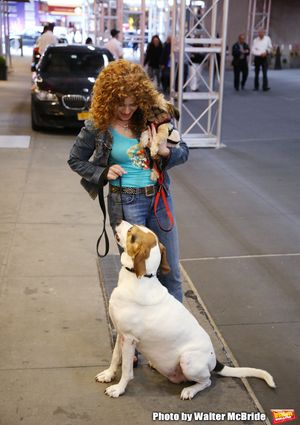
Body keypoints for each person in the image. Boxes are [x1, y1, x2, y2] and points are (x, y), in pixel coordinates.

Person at [68, 60, 189, 303]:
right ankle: (142, 332)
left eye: (133, 104)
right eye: (119, 104)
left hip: (159, 199)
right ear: (107, 99)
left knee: (171, 271)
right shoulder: (98, 125)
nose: (126, 110)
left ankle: (173, 332)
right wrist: (102, 173)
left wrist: (166, 152)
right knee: (139, 274)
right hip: (125, 202)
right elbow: (75, 159)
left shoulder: (154, 116)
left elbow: (184, 152)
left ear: (142, 98)